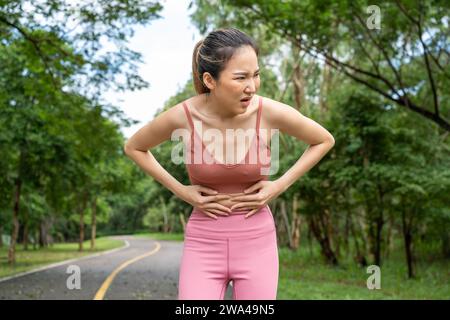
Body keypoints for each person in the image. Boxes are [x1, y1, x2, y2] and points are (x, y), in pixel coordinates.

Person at [124, 27, 335, 300]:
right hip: (203, 242)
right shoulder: (184, 116)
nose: (252, 86)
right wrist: (182, 190)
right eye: (241, 77)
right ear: (210, 80)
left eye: (256, 75)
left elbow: (323, 140)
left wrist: (279, 185)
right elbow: (134, 147)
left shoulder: (268, 112)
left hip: (257, 242)